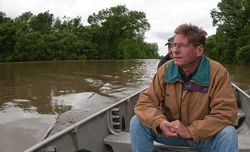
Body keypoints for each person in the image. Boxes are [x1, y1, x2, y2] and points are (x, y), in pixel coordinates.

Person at [130, 23, 238, 152]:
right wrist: (160, 122)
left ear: (199, 50)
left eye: (181, 46)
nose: (174, 50)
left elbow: (226, 113)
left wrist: (190, 131)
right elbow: (145, 103)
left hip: (204, 137)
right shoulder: (165, 69)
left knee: (228, 133)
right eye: (174, 45)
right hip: (171, 133)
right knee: (137, 122)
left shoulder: (218, 72)